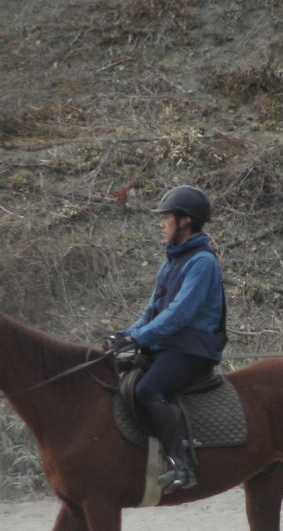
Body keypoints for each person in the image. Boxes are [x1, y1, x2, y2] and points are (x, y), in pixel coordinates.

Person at [105, 185, 227, 493]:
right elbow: (151, 312)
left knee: (148, 389)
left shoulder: (202, 262)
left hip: (193, 350)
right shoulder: (170, 263)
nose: (161, 224)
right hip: (169, 346)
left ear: (185, 221)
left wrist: (140, 338)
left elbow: (179, 314)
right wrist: (125, 336)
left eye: (166, 218)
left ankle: (180, 464)